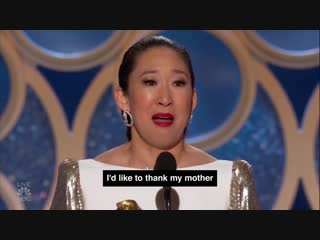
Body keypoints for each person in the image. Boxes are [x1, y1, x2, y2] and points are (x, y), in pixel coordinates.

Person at [50, 35, 260, 210]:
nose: (165, 98)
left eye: (178, 83)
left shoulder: (228, 181)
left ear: (193, 100)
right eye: (150, 82)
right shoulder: (82, 180)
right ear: (123, 99)